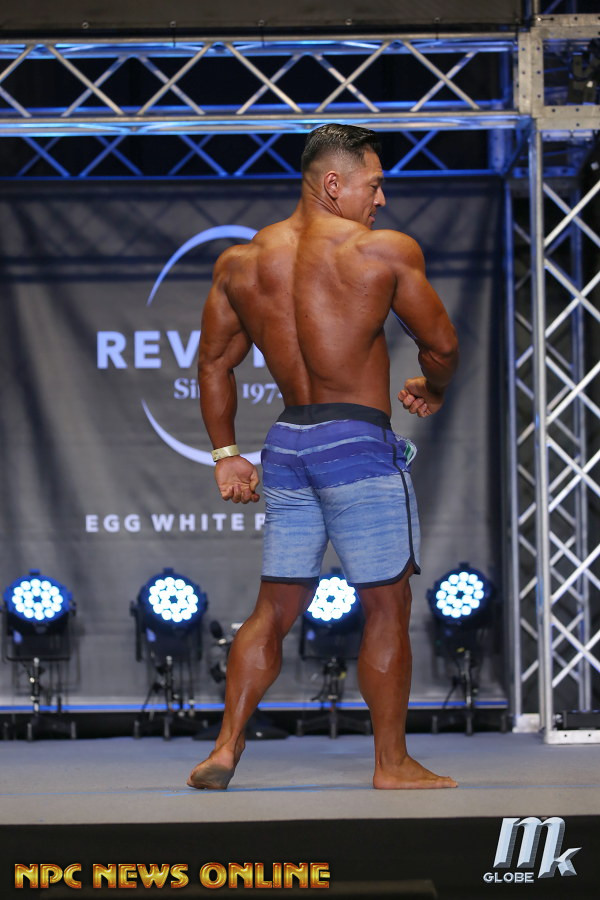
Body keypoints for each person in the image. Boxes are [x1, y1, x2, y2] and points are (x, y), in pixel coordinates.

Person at [189, 124, 459, 791]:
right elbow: (442, 346)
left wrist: (226, 454)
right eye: (375, 184)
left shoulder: (242, 262)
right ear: (333, 183)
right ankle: (391, 765)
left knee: (274, 608)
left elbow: (214, 363)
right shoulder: (382, 251)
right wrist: (433, 387)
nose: (382, 199)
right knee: (386, 606)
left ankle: (223, 749)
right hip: (356, 442)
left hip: (288, 444)